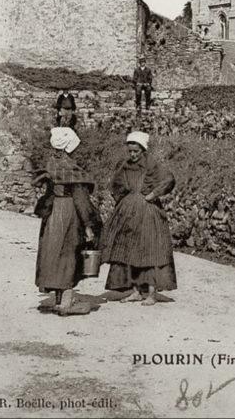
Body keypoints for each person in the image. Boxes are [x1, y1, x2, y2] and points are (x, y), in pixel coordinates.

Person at [101, 131, 177, 305]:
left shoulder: (152, 165)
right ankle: (135, 290)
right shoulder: (125, 165)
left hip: (147, 212)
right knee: (130, 251)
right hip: (128, 212)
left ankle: (151, 293)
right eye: (131, 151)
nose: (133, 154)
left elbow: (168, 180)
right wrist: (123, 201)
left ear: (143, 150)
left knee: (149, 251)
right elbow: (115, 185)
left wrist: (153, 194)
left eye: (136, 151)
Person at [33, 127, 102, 316]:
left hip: (54, 212)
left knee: (53, 251)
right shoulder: (71, 169)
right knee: (70, 253)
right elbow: (80, 199)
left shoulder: (52, 163)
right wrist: (89, 225)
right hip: (69, 211)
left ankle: (57, 297)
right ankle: (66, 302)